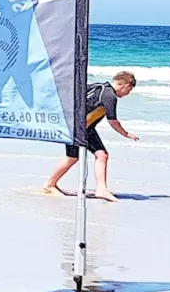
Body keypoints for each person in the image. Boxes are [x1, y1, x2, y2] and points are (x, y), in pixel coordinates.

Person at [43, 71, 139, 201]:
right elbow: (113, 121)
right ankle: (49, 184)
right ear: (125, 85)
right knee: (72, 157)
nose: (128, 93)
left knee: (102, 155)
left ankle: (101, 190)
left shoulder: (99, 86)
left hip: (84, 128)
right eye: (129, 90)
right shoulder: (109, 96)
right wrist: (126, 134)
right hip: (76, 129)